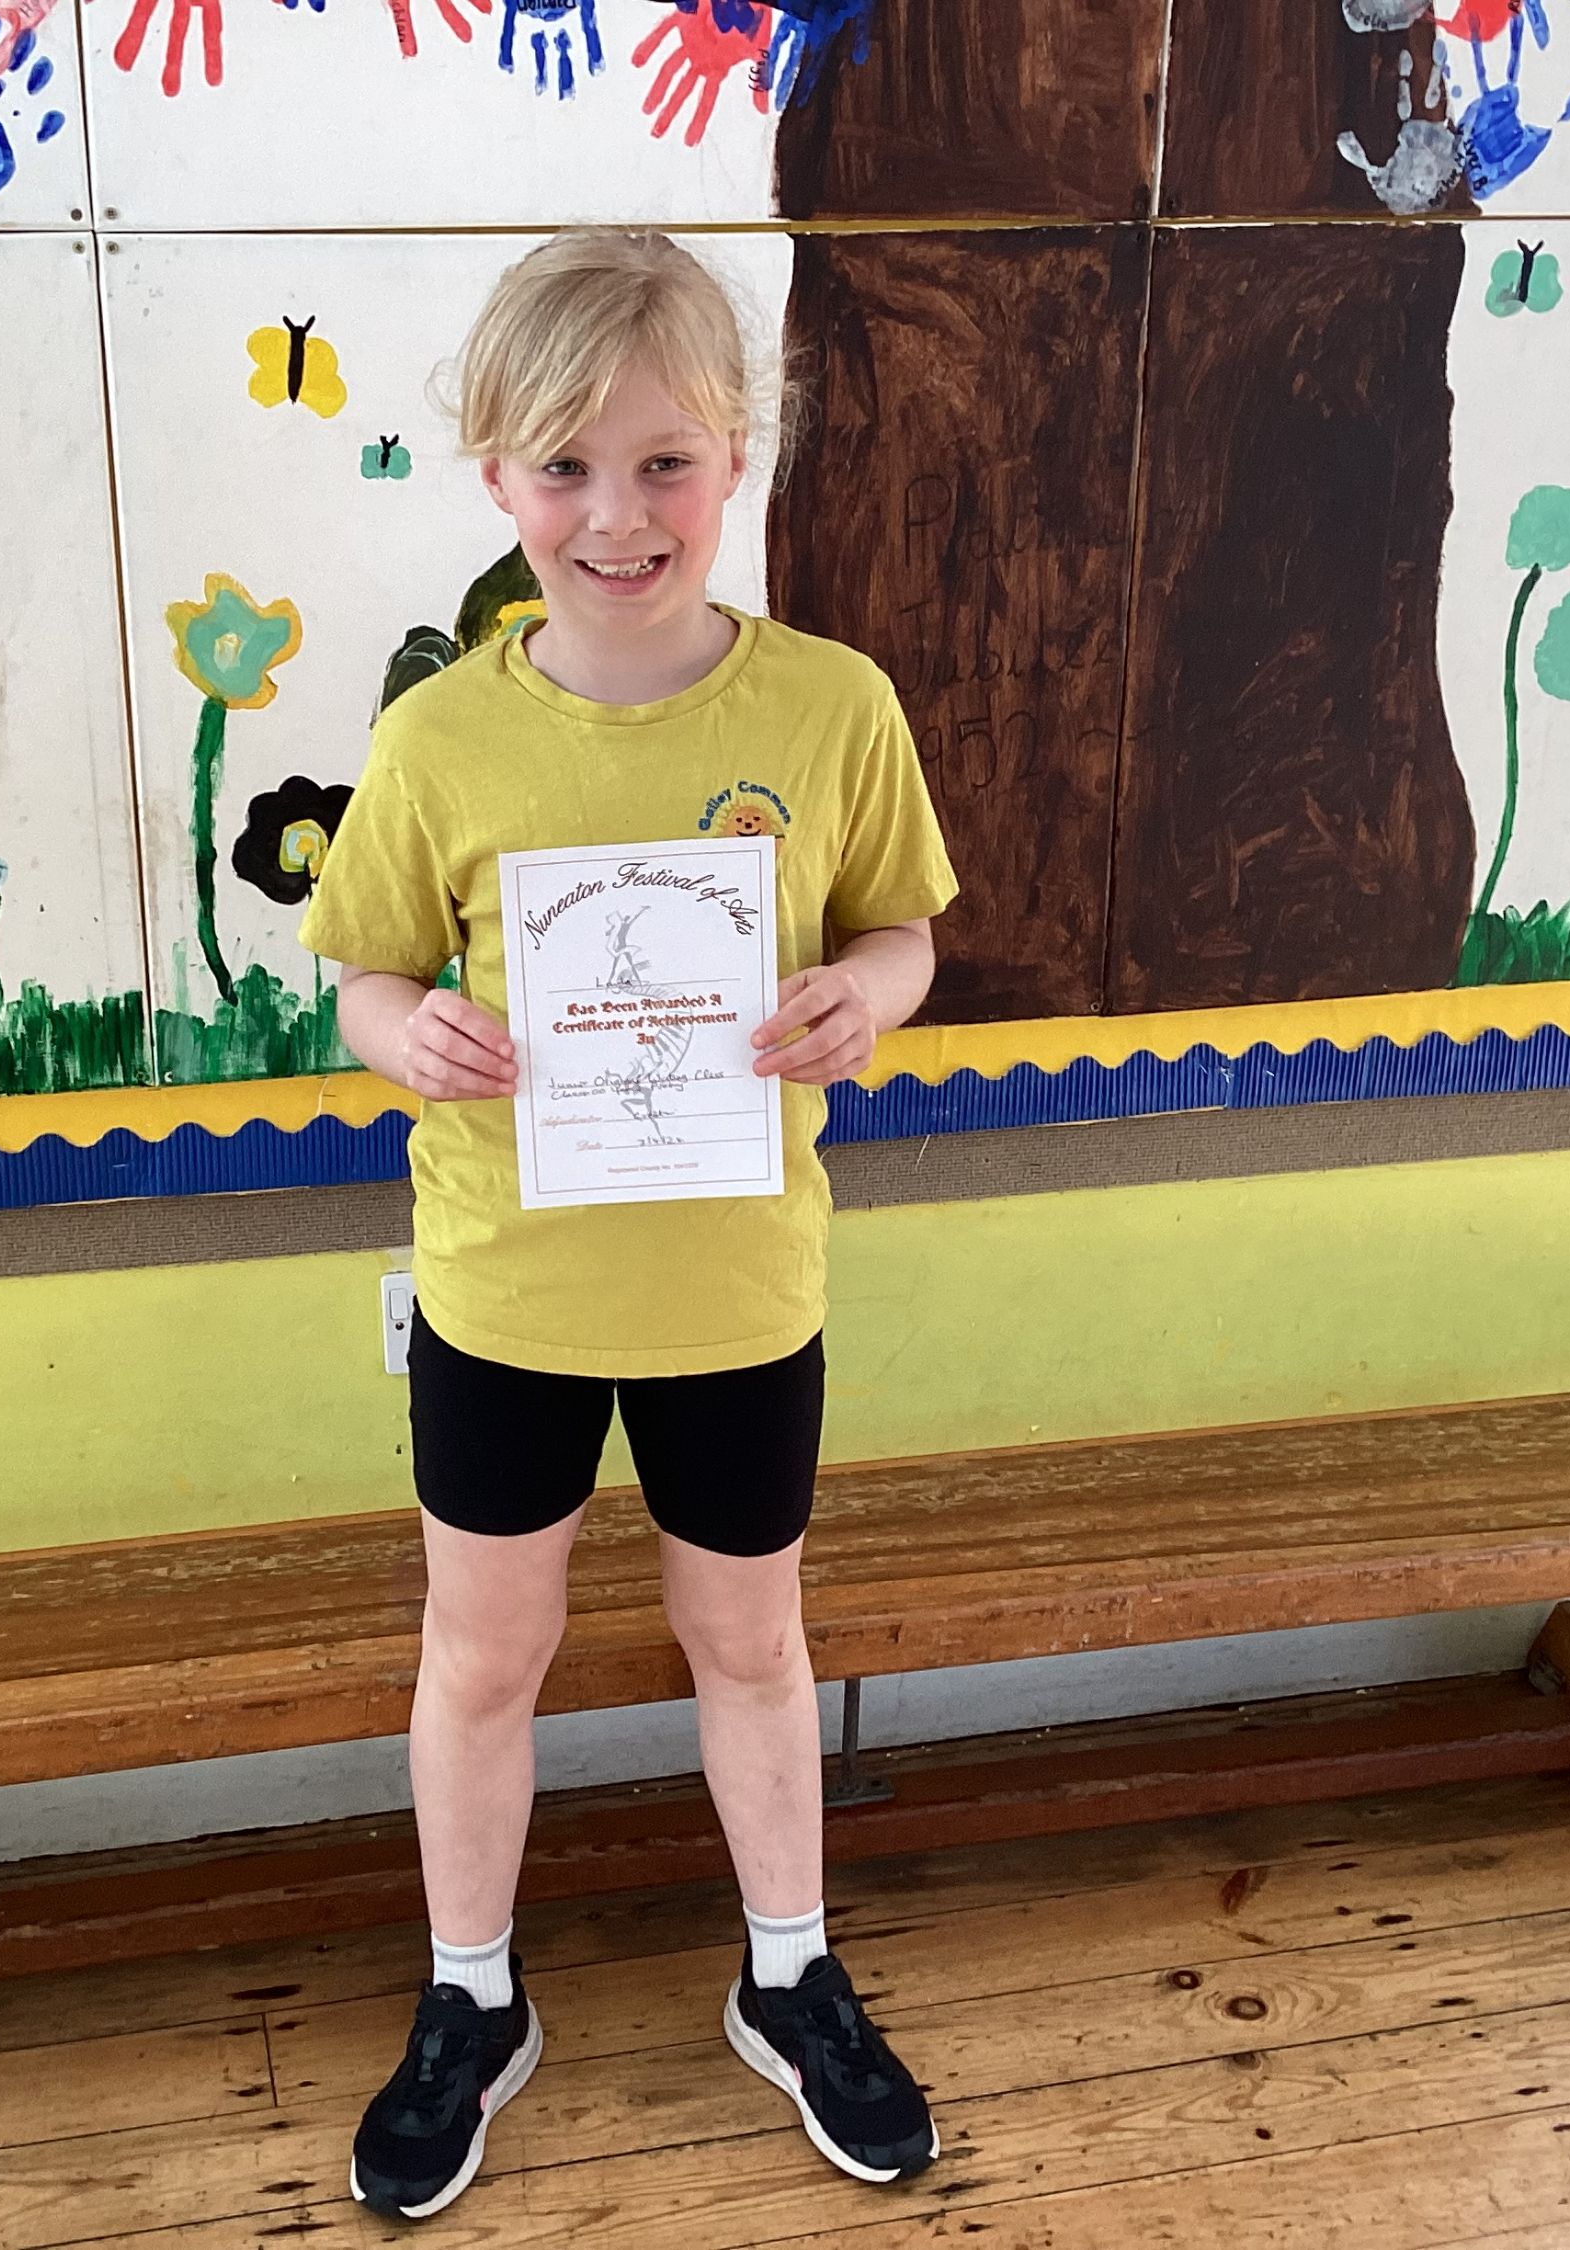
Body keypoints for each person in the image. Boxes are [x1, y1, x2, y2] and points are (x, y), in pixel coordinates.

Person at [298, 225, 960, 2223]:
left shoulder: (832, 707)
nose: (618, 514)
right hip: (505, 1292)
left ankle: (789, 1972)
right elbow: (361, 980)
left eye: (667, 461)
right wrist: (410, 1032)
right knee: (481, 1652)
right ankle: (470, 1994)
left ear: (739, 455)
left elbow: (903, 928)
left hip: (738, 1288)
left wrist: (869, 997)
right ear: (496, 474)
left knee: (747, 1641)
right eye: (568, 467)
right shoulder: (439, 741)